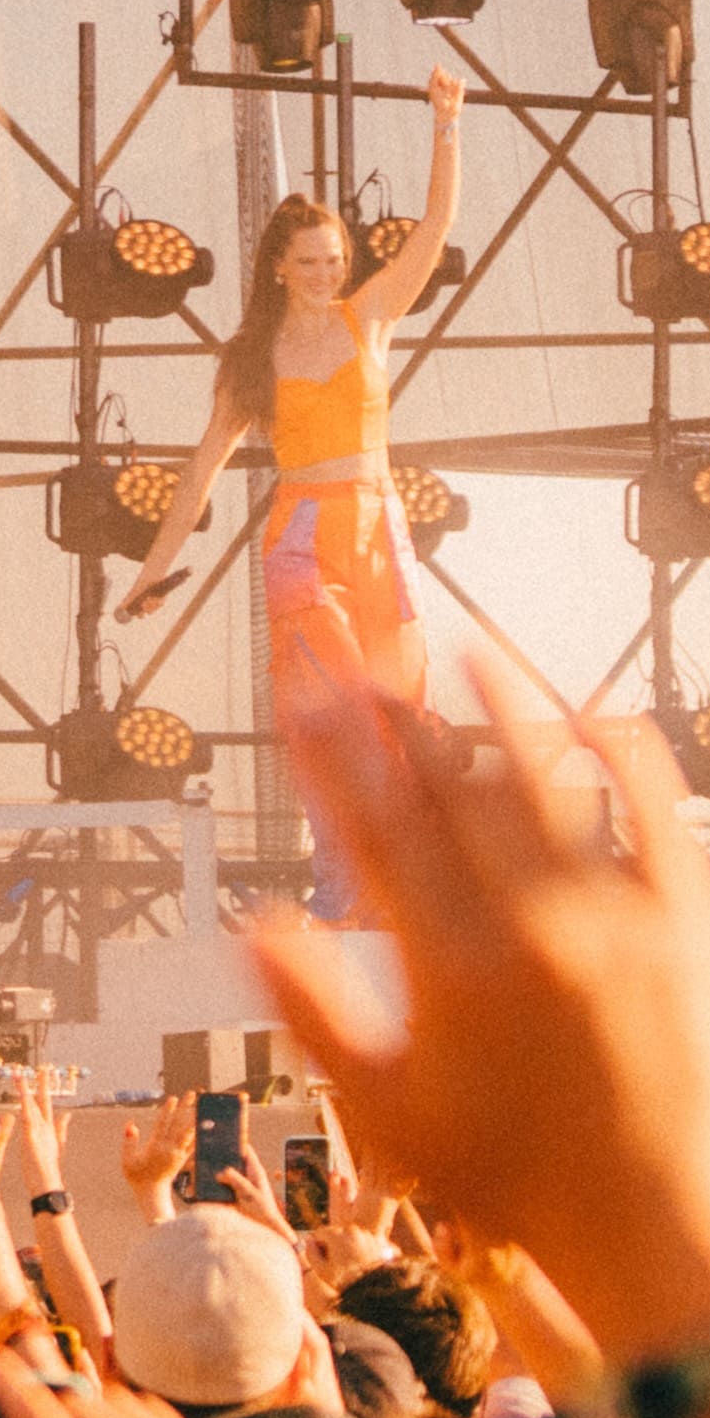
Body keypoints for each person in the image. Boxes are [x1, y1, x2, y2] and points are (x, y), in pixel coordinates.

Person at [112, 70, 472, 911]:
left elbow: (432, 229)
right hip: (303, 538)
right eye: (308, 260)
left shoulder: (370, 315)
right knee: (339, 716)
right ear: (277, 267)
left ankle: (398, 889)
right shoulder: (249, 359)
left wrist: (444, 126)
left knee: (397, 714)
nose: (324, 271)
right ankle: (341, 891)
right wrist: (149, 573)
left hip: (380, 530)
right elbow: (200, 470)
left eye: (335, 259)